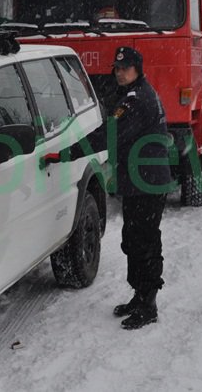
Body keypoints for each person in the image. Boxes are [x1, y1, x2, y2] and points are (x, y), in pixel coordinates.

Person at [41, 46, 174, 330]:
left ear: (138, 69)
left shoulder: (137, 101)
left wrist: (66, 154)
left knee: (145, 243)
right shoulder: (135, 95)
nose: (120, 73)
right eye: (117, 68)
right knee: (133, 239)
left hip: (147, 184)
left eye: (126, 68)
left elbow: (108, 135)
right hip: (140, 182)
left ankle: (148, 305)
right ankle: (140, 297)